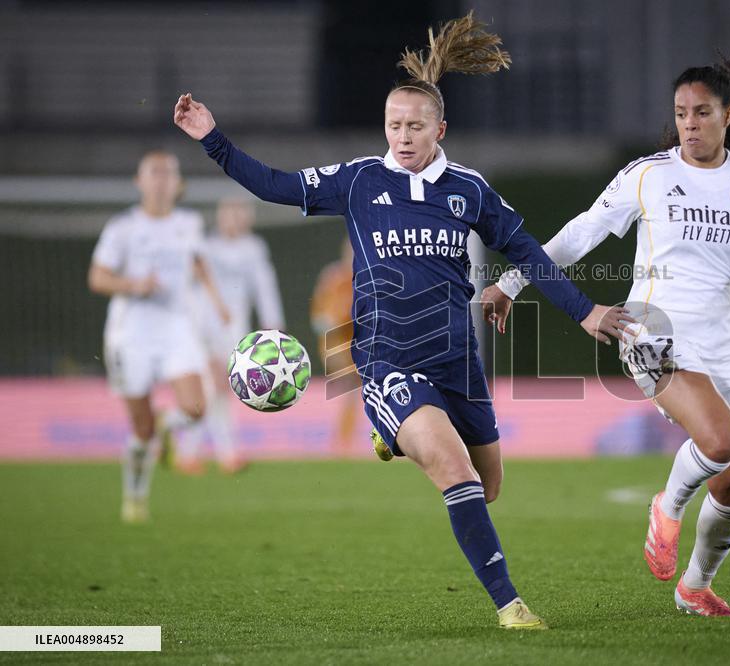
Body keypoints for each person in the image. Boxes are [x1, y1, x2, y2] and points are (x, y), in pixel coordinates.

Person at [173, 12, 631, 629]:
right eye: (394, 125)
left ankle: (396, 435)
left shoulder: (469, 189)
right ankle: (510, 606)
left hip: (459, 361)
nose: (403, 136)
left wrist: (585, 311)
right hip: (389, 359)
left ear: (441, 128)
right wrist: (212, 138)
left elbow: (526, 251)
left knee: (488, 488)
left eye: (416, 126)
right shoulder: (360, 180)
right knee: (455, 471)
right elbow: (275, 186)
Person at [481, 46, 730, 617]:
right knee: (719, 440)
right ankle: (668, 505)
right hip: (653, 335)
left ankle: (696, 586)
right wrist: (511, 281)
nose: (690, 122)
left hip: (725, 344)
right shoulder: (649, 175)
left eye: (702, 112)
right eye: (682, 112)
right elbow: (581, 232)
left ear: (728, 116)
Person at [88, 150, 230, 523]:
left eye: (169, 173)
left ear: (178, 183)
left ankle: (170, 424)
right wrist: (135, 285)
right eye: (154, 172)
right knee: (142, 429)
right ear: (140, 182)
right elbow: (98, 277)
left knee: (197, 409)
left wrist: (217, 302)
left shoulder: (189, 223)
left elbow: (198, 262)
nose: (162, 179)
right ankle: (135, 497)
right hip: (130, 333)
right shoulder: (123, 228)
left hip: (176, 328)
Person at [182, 198, 285, 474]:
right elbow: (188, 285)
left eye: (240, 213)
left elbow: (264, 287)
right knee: (215, 385)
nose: (235, 219)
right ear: (220, 216)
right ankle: (225, 454)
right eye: (230, 212)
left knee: (218, 391)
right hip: (203, 326)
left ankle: (187, 450)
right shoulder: (205, 246)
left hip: (235, 330)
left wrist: (273, 325)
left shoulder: (254, 248)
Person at [310, 237, 362, 454]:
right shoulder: (334, 278)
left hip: (361, 344)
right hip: (336, 343)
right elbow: (320, 318)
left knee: (356, 391)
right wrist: (336, 317)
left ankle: (345, 440)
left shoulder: (368, 276)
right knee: (351, 385)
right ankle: (341, 442)